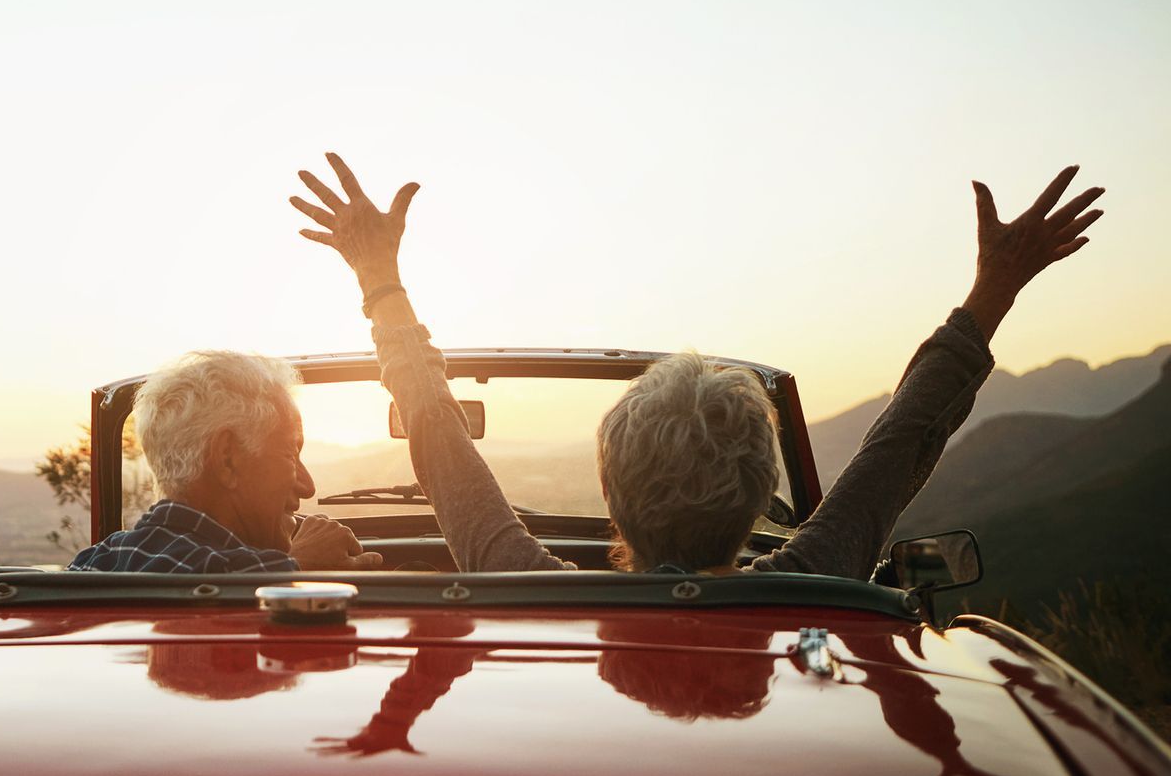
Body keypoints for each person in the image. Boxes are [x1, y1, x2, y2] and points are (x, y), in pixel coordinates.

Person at [290, 153, 1104, 579]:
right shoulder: (814, 574)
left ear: (611, 492)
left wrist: (380, 283)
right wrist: (994, 288)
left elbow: (436, 434)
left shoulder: (521, 578)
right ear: (757, 498)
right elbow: (906, 438)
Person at [68, 349, 384, 573]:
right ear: (227, 459)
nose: (307, 486)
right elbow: (192, 587)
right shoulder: (214, 574)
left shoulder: (92, 564)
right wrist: (297, 570)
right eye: (290, 453)